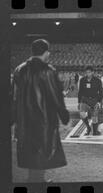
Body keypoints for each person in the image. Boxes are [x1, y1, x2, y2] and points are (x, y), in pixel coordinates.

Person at [11, 39, 70, 182]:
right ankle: (36, 182)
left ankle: (35, 180)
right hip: (44, 121)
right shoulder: (48, 71)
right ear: (46, 52)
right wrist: (64, 115)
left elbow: (13, 97)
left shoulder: (19, 69)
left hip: (25, 121)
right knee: (42, 152)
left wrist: (12, 119)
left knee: (31, 153)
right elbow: (56, 96)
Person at [78, 66, 103, 135]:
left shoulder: (98, 80)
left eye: (89, 72)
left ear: (92, 72)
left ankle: (95, 131)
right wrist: (79, 102)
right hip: (84, 100)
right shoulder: (82, 80)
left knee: (94, 117)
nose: (87, 74)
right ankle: (88, 127)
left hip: (94, 100)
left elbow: (101, 92)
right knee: (82, 114)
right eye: (86, 72)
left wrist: (99, 102)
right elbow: (80, 91)